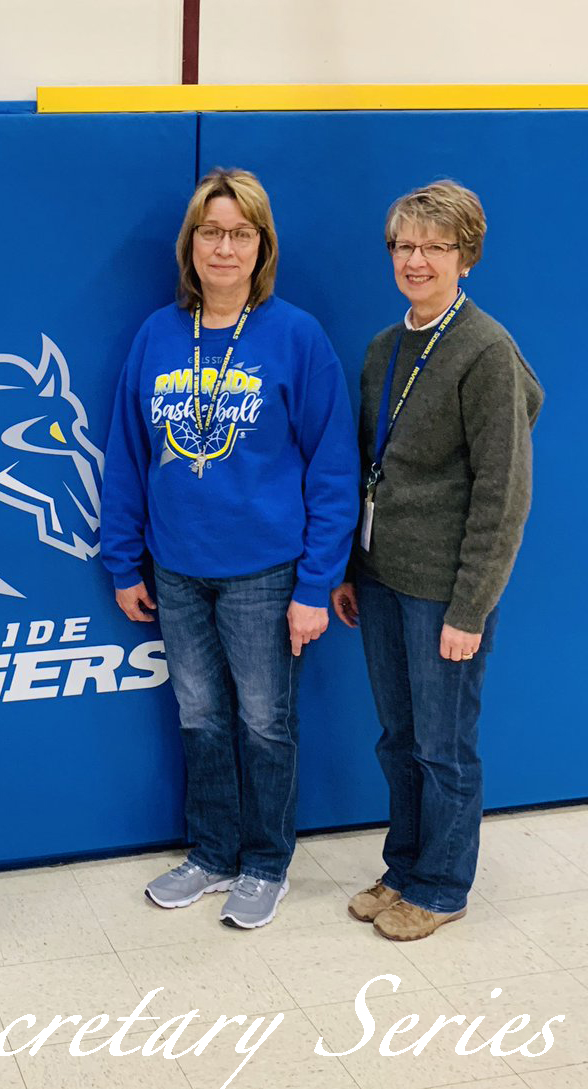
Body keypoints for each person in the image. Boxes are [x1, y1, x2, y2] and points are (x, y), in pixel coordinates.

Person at [102, 168, 359, 929]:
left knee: (266, 723)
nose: (224, 247)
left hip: (266, 573)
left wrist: (315, 584)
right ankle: (212, 853)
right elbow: (128, 456)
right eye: (210, 232)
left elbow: (333, 468)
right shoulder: (157, 334)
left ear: (261, 246)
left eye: (240, 233)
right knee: (200, 716)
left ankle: (267, 862)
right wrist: (123, 560)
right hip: (176, 569)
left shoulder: (296, 336)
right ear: (191, 244)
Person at [332, 180, 542, 941]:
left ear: (466, 256)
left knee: (444, 748)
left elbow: (503, 494)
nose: (416, 260)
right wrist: (351, 571)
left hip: (444, 594)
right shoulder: (385, 349)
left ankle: (443, 886)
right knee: (398, 739)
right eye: (405, 245)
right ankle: (404, 867)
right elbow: (369, 467)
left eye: (435, 246)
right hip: (381, 579)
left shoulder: (485, 350)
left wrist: (470, 608)